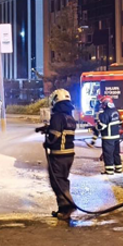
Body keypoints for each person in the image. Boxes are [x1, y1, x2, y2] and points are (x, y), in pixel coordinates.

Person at [43, 89, 77, 220]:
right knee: (63, 180)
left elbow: (55, 135)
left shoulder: (57, 116)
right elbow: (62, 131)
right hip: (69, 154)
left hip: (59, 154)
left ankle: (67, 206)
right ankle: (63, 209)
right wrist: (47, 129)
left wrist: (47, 143)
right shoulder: (70, 117)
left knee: (57, 181)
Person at [96, 96, 122, 175]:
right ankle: (118, 168)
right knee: (116, 153)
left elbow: (101, 126)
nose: (102, 106)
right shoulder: (116, 112)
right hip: (116, 137)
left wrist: (97, 124)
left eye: (103, 104)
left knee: (108, 154)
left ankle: (109, 170)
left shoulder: (105, 114)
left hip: (108, 137)